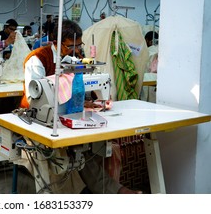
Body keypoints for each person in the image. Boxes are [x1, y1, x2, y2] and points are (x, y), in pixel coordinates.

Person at [21, 19, 140, 194]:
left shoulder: (74, 59)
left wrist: (89, 100)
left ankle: (105, 191)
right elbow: (35, 97)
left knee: (95, 147)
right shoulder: (37, 59)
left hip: (65, 117)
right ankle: (108, 192)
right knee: (66, 154)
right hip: (38, 120)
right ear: (55, 42)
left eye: (79, 45)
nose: (76, 50)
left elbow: (78, 86)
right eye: (70, 46)